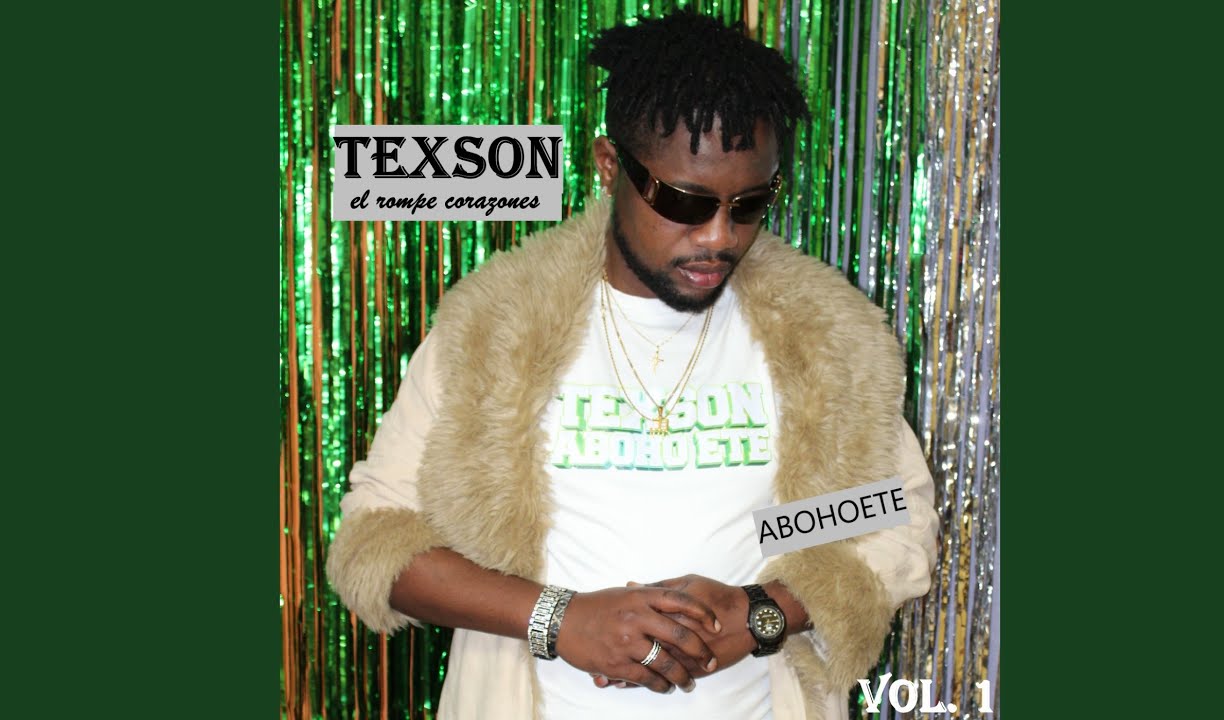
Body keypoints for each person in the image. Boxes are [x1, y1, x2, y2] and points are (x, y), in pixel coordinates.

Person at [326, 9, 939, 720]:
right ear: (610, 166)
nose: (719, 236)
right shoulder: (496, 331)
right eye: (685, 201)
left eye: (750, 204)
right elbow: (376, 537)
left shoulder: (822, 342)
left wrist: (761, 611)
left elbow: (893, 513)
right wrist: (560, 619)